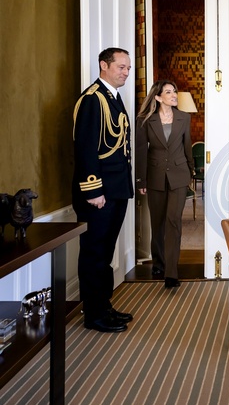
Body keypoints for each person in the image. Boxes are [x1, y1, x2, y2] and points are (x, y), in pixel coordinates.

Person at [72, 48, 134, 333]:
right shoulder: (92, 99)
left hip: (116, 190)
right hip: (99, 193)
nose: (126, 72)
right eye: (121, 67)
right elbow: (86, 149)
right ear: (104, 65)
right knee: (94, 253)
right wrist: (93, 190)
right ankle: (93, 314)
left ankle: (103, 305)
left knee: (105, 252)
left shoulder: (113, 97)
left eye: (128, 68)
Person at [135, 80, 195, 288]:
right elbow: (141, 151)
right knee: (158, 222)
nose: (174, 95)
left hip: (179, 176)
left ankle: (171, 272)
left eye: (174, 91)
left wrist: (191, 172)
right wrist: (141, 179)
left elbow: (187, 146)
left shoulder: (184, 118)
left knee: (173, 221)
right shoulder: (145, 120)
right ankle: (159, 263)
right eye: (168, 92)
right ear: (158, 97)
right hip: (155, 176)